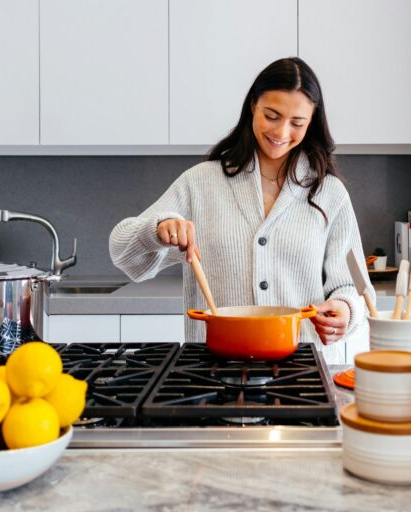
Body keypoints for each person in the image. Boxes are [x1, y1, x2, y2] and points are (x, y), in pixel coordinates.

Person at [109, 57, 373, 363]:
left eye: (297, 123)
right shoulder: (201, 182)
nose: (282, 131)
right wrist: (157, 230)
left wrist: (345, 309)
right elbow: (122, 252)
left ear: (312, 122)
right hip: (212, 372)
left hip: (301, 374)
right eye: (272, 116)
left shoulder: (329, 193)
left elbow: (353, 286)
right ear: (252, 106)